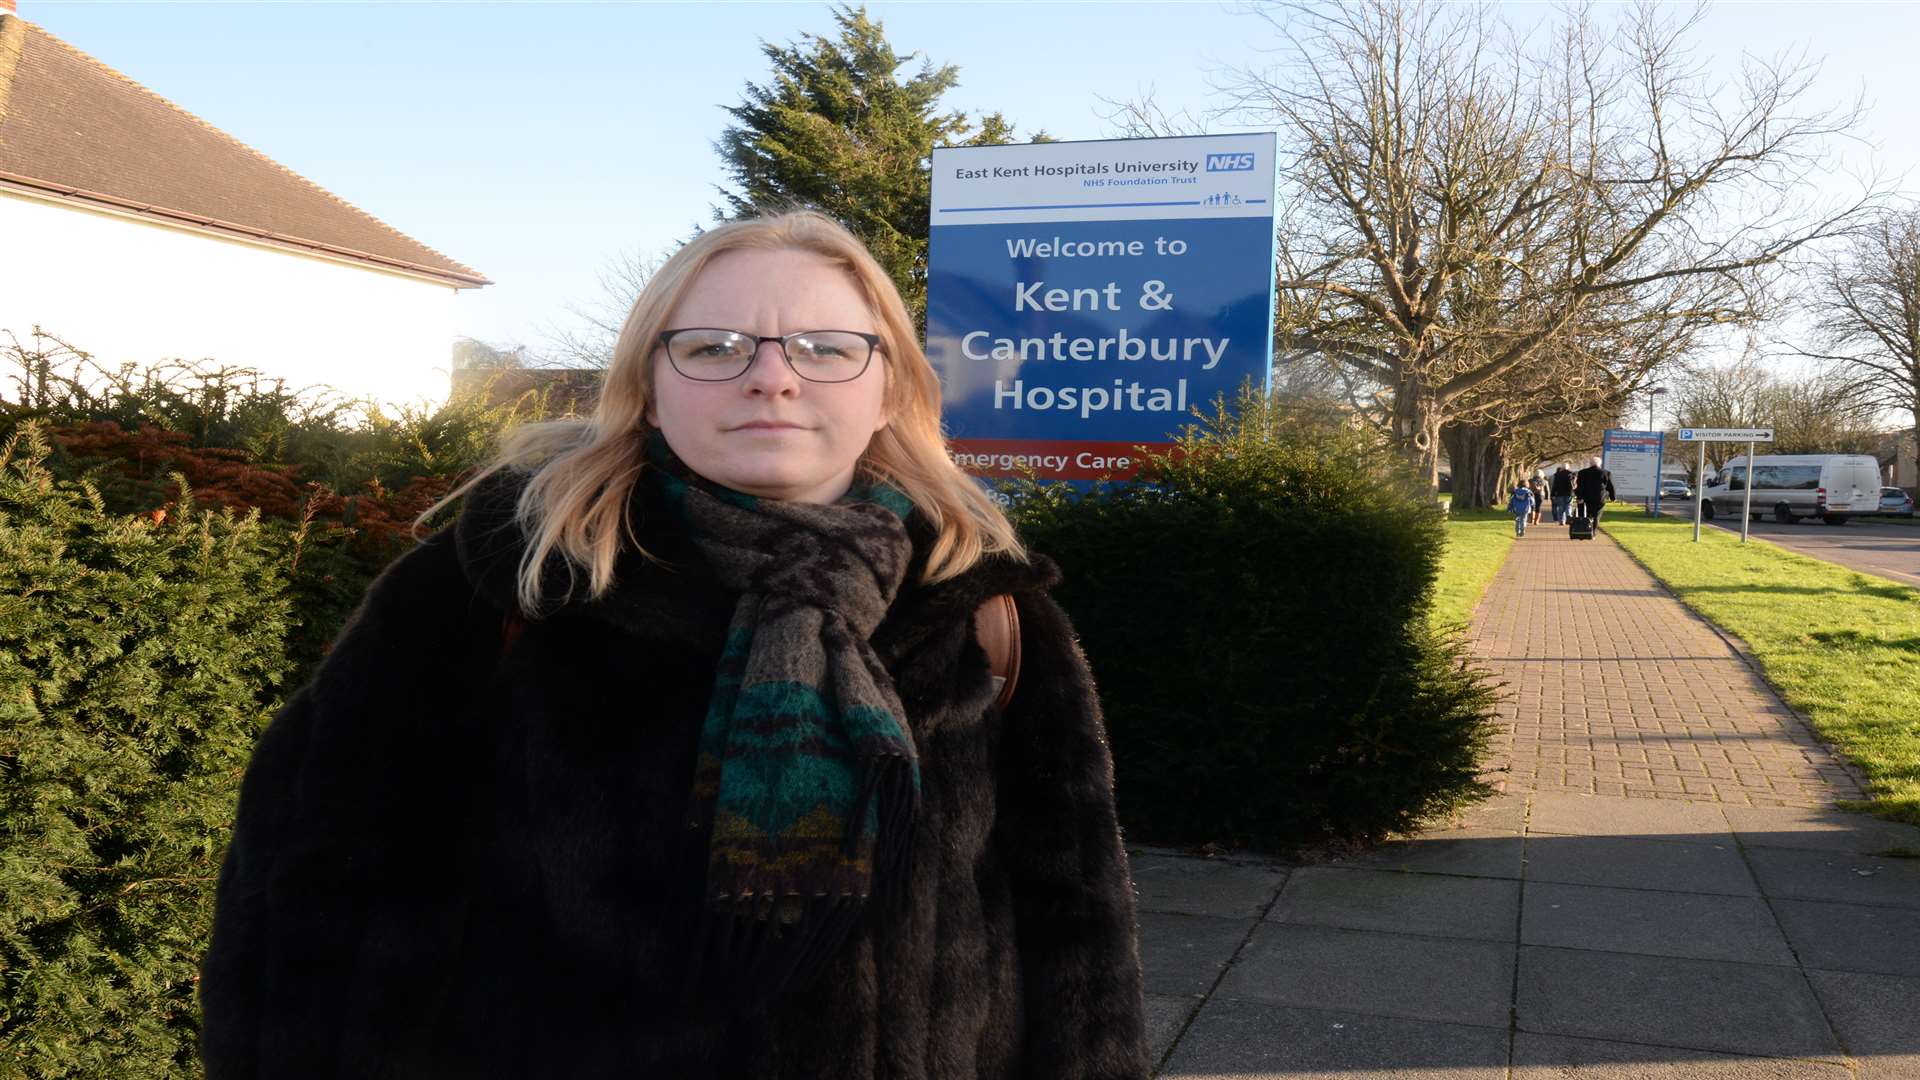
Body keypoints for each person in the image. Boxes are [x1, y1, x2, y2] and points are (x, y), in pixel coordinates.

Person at [199, 211, 1149, 1079]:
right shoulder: (506, 587)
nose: (771, 375)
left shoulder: (987, 612)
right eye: (712, 346)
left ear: (890, 386)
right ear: (648, 387)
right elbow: (313, 905)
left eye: (826, 347)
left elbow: (1078, 932)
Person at [1575, 455, 1617, 524]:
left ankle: (1587, 529)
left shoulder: (1582, 473)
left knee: (1588, 514)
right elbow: (1610, 486)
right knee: (1596, 515)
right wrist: (1613, 497)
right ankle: (1593, 529)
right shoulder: (1606, 473)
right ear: (1600, 464)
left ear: (1590, 463)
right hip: (1599, 498)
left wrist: (1579, 497)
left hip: (1586, 498)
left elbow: (1580, 486)